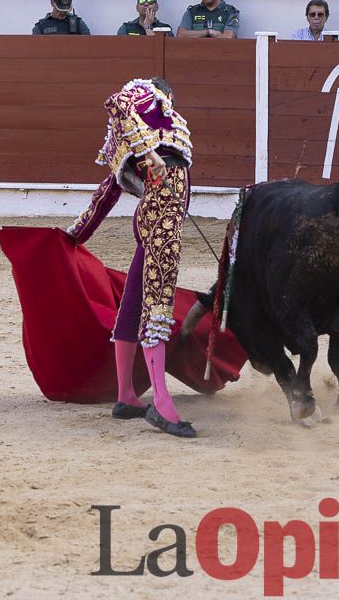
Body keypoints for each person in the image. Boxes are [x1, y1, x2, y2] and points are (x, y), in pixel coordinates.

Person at [64, 76, 196, 438]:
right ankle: (163, 406)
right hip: (164, 209)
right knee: (158, 300)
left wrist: (74, 236)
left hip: (158, 208)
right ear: (166, 92)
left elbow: (105, 195)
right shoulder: (146, 94)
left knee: (136, 300)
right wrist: (150, 153)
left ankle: (125, 396)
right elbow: (117, 103)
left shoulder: (132, 139)